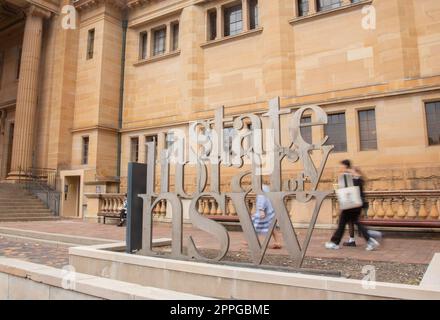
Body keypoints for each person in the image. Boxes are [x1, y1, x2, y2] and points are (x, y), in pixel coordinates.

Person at [325, 160, 380, 251]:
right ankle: (370, 240)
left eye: (341, 166)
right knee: (356, 223)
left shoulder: (348, 176)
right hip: (354, 204)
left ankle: (334, 243)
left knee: (342, 224)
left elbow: (348, 190)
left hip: (351, 205)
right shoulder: (352, 176)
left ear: (345, 167)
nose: (340, 168)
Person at [342, 167, 382, 247]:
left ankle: (372, 237)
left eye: (352, 171)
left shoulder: (357, 180)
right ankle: (352, 240)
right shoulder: (358, 180)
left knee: (357, 223)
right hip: (355, 204)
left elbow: (352, 191)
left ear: (356, 172)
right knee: (354, 222)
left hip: (355, 205)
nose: (351, 173)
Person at [252, 184, 282, 249]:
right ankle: (278, 242)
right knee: (272, 228)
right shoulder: (267, 188)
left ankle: (250, 240)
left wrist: (261, 209)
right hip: (270, 211)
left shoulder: (261, 189)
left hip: (263, 213)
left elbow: (262, 199)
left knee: (253, 226)